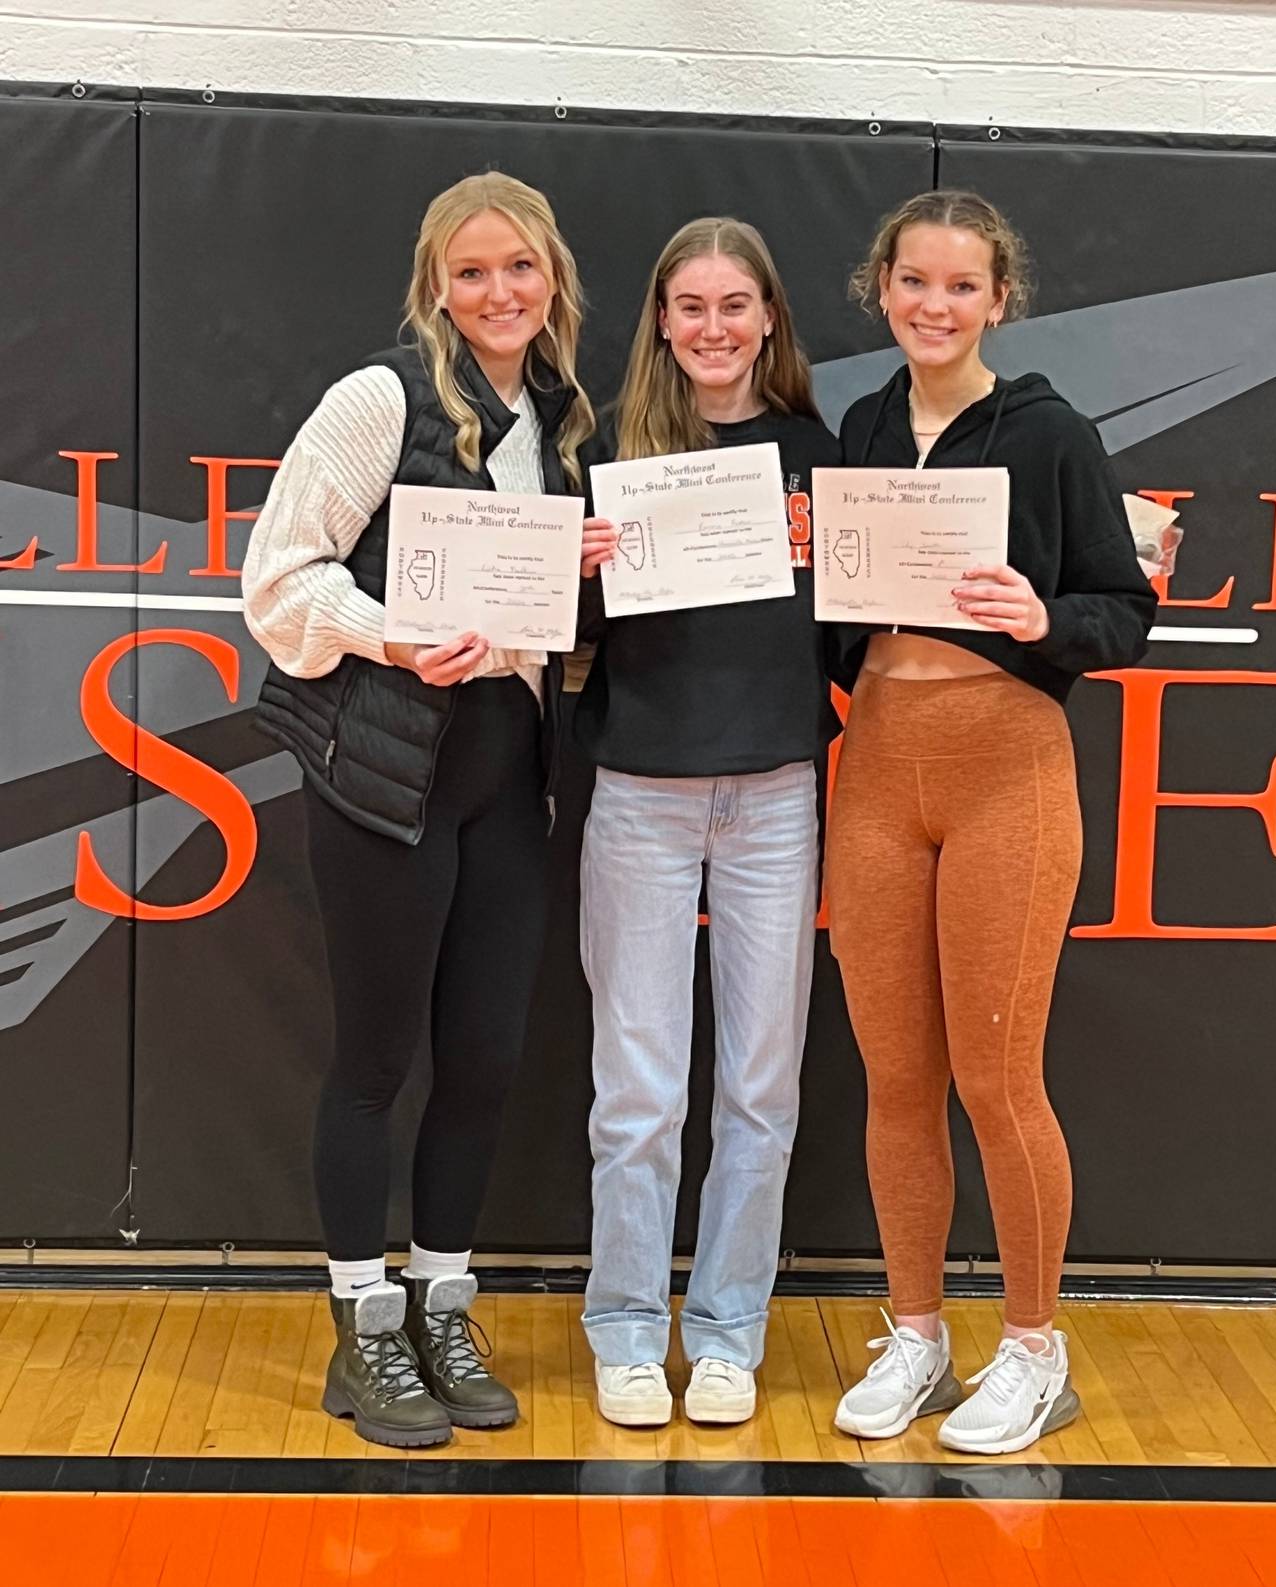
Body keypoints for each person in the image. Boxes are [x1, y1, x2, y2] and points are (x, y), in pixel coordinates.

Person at [241, 172, 596, 1448]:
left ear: (551, 277)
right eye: (472, 272)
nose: (500, 293)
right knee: (378, 1062)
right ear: (435, 284)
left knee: (489, 1056)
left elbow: (549, 621)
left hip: (509, 769)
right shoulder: (380, 398)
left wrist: (589, 569)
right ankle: (362, 1327)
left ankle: (444, 1297)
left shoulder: (560, 422)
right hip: (386, 773)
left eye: (521, 269)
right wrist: (394, 640)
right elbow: (274, 584)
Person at [827, 190, 1158, 1456]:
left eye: (961, 287)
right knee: (896, 1077)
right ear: (885, 287)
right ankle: (916, 1331)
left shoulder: (1051, 432)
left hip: (1006, 764)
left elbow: (1121, 613)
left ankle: (1033, 1346)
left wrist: (1040, 620)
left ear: (997, 301)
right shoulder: (861, 424)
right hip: (882, 766)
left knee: (995, 1075)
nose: (935, 305)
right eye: (914, 281)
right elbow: (844, 610)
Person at [576, 217, 840, 1428]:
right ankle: (626, 1327)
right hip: (639, 792)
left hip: (778, 792)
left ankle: (729, 1331)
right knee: (637, 1091)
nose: (715, 327)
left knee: (759, 1087)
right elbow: (562, 647)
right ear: (663, 321)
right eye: (691, 305)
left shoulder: (816, 455)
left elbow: (867, 616)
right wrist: (572, 575)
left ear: (770, 318)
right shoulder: (611, 456)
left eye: (736, 304)